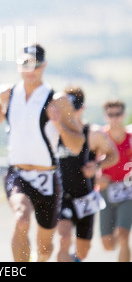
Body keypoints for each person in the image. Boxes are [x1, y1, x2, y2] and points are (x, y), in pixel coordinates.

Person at [0, 44, 85, 262]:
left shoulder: (57, 100)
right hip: (18, 173)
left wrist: (59, 123)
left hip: (47, 178)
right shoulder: (7, 94)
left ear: (44, 66)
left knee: (44, 248)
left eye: (36, 64)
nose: (30, 69)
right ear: (18, 65)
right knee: (21, 219)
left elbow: (78, 144)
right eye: (25, 63)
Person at [57, 87, 119, 262]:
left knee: (82, 252)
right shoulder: (55, 132)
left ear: (82, 108)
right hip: (63, 197)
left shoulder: (94, 133)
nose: (70, 114)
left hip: (86, 198)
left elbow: (113, 155)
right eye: (66, 110)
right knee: (64, 238)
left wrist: (97, 165)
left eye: (73, 109)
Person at [97, 100, 132, 262]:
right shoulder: (100, 138)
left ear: (123, 115)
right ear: (106, 116)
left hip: (128, 190)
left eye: (118, 114)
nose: (115, 118)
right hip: (106, 191)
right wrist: (97, 177)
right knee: (108, 244)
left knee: (123, 236)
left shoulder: (130, 138)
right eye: (111, 115)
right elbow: (89, 164)